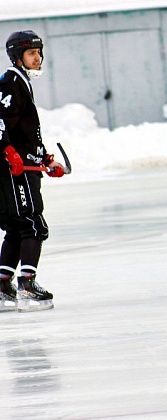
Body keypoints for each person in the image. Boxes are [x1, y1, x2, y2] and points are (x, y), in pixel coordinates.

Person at [0, 30, 65, 312]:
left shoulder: (21, 81)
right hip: (14, 171)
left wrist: (45, 157)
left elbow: (24, 132)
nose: (38, 58)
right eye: (31, 53)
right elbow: (1, 123)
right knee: (32, 225)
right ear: (17, 56)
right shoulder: (11, 82)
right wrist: (9, 153)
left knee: (16, 227)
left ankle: (3, 286)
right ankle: (27, 285)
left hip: (23, 167)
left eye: (39, 52)